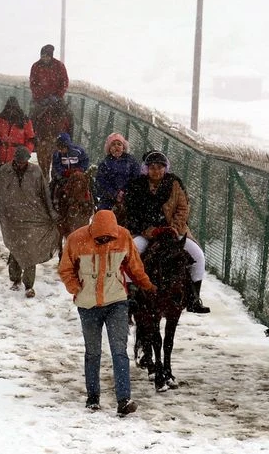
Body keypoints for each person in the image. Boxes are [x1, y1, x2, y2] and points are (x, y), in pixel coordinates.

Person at [58, 209, 157, 416]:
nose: (105, 241)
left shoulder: (123, 237)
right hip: (88, 305)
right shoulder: (76, 239)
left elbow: (134, 267)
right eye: (101, 238)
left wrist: (147, 285)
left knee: (119, 351)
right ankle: (93, 398)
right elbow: (65, 268)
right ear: (92, 231)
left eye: (109, 238)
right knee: (92, 352)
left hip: (116, 302)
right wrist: (76, 288)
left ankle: (124, 400)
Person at [123, 150, 211, 314]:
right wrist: (151, 230)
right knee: (130, 253)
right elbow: (133, 213)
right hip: (146, 233)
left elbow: (183, 208)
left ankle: (193, 298)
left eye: (160, 167)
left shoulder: (175, 183)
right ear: (146, 169)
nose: (156, 171)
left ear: (166, 168)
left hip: (173, 231)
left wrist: (173, 228)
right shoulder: (136, 185)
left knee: (198, 255)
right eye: (152, 167)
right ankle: (130, 295)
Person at [0, 146, 61, 298]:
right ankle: (15, 278)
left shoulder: (36, 172)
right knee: (16, 247)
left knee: (29, 249)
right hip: (11, 218)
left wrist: (52, 214)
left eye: (24, 161)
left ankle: (29, 285)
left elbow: (45, 194)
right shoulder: (4, 171)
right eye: (19, 161)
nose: (21, 164)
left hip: (32, 216)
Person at [94, 132, 141, 213]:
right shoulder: (105, 163)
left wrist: (125, 192)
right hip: (108, 200)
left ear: (123, 147)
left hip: (128, 198)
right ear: (109, 148)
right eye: (113, 144)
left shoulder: (131, 162)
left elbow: (136, 178)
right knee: (103, 214)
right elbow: (101, 182)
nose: (116, 146)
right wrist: (114, 194)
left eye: (119, 144)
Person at [0, 96, 36, 166]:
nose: (11, 111)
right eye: (10, 108)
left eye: (13, 108)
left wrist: (26, 152)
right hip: (3, 158)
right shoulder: (0, 119)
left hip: (19, 159)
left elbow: (31, 140)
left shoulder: (24, 121)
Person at [50, 132, 90, 210]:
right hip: (64, 176)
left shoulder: (78, 151)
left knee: (89, 183)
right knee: (53, 185)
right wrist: (64, 172)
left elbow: (85, 160)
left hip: (78, 175)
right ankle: (53, 204)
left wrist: (81, 169)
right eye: (59, 147)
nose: (60, 150)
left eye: (62, 147)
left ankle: (91, 202)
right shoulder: (57, 154)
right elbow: (56, 165)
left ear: (67, 145)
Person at [29, 44, 69, 117]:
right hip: (39, 100)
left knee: (67, 114)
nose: (45, 58)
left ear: (51, 56)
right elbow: (33, 84)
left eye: (47, 56)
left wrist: (57, 96)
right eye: (43, 56)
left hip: (57, 99)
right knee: (33, 115)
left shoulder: (59, 66)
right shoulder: (36, 66)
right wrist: (40, 97)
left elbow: (64, 82)